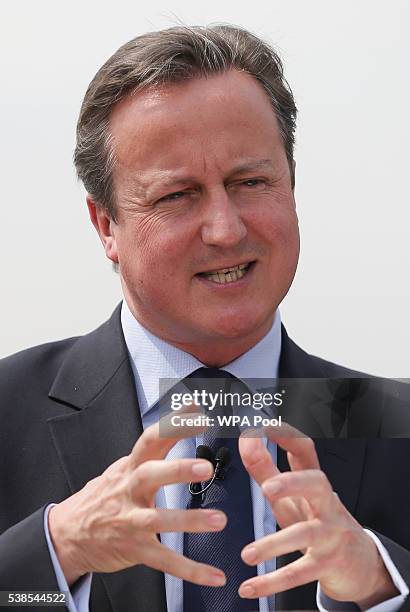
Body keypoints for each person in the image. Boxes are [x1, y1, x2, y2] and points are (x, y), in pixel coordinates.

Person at [0, 24, 409, 612]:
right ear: (105, 225)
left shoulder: (394, 423)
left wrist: (380, 586)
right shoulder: (8, 413)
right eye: (177, 196)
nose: (226, 230)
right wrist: (57, 552)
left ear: (292, 185)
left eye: (251, 182)